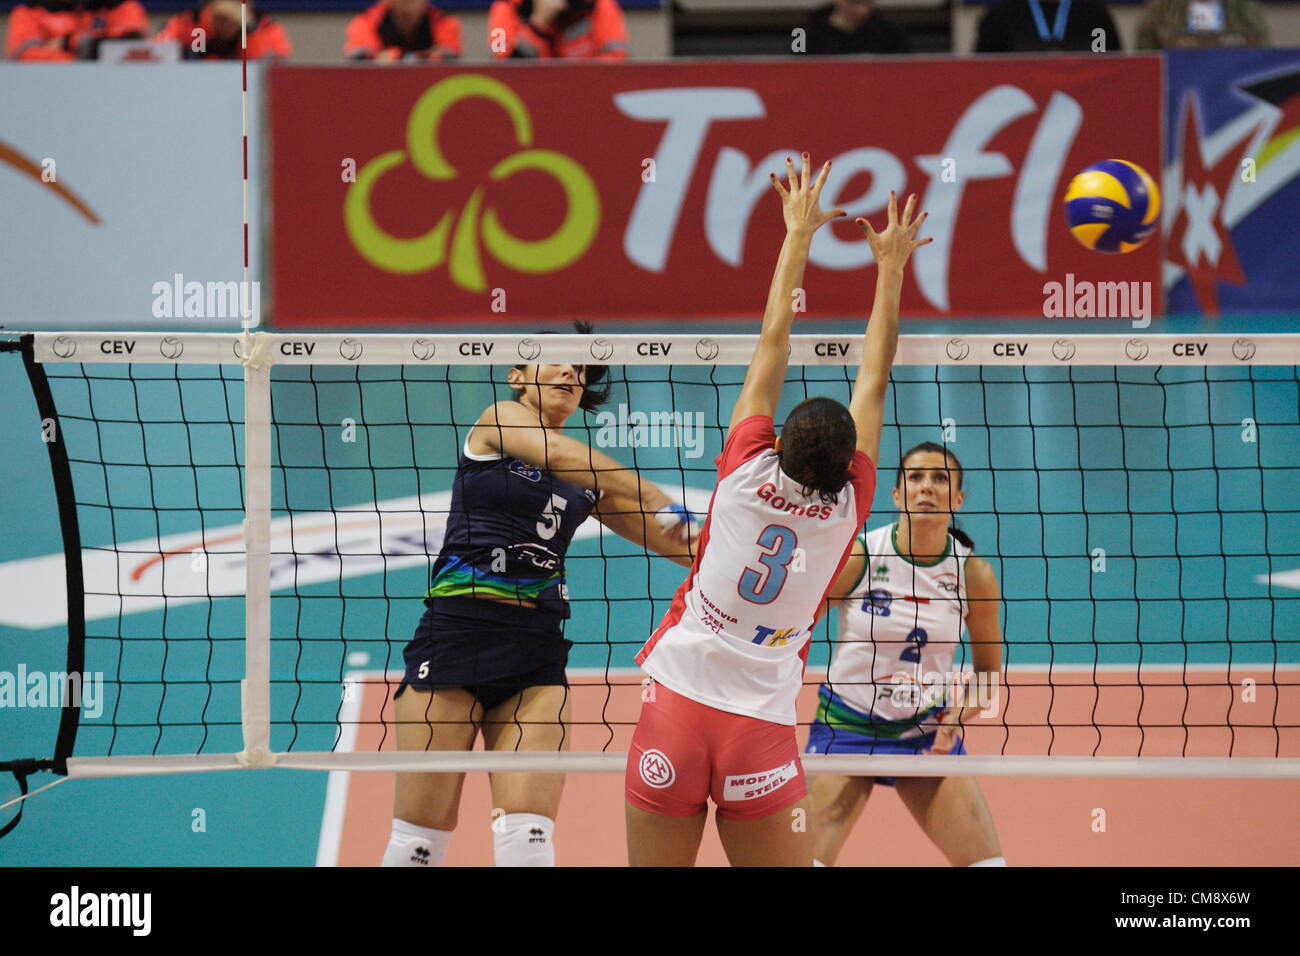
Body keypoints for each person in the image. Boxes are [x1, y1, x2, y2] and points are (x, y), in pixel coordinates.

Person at [625, 155, 930, 867]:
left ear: (776, 444)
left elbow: (773, 341)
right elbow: (876, 377)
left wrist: (798, 232)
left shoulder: (739, 474)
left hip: (673, 704)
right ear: (851, 465)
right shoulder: (848, 509)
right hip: (757, 728)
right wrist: (891, 266)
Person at [383, 320, 696, 868]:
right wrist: (657, 494)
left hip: (535, 654)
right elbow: (566, 457)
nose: (572, 372)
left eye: (582, 370)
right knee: (418, 847)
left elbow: (673, 543)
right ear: (518, 372)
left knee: (528, 845)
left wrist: (739, 556)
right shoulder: (499, 421)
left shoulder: (586, 477)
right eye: (559, 360)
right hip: (456, 637)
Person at [808, 442, 1005, 867]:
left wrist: (957, 716)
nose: (926, 487)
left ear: (958, 499)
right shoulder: (860, 555)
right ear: (897, 495)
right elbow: (796, 628)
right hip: (846, 725)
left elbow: (989, 674)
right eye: (915, 477)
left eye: (940, 478)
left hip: (924, 732)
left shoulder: (974, 574)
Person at [6, 0, 147, 61]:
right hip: (50, 91)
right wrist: (87, 57)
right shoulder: (28, 12)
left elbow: (129, 48)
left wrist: (68, 43)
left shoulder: (123, 7)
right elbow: (24, 57)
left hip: (112, 89)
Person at [487, 0, 628, 59]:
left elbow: (616, 64)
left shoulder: (600, 5)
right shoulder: (502, 9)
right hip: (528, 99)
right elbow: (501, 69)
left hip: (585, 98)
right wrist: (537, 25)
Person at [156, 0, 291, 60]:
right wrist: (211, 28)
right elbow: (154, 57)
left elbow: (271, 76)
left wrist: (248, 30)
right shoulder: (186, 23)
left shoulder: (267, 27)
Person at [975, 0, 1122, 53]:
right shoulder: (998, 17)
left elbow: (1106, 60)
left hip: (1084, 102)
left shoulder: (1096, 17)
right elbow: (985, 68)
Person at [344, 0, 462, 61]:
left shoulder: (443, 22)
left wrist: (396, 57)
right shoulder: (365, 22)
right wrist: (425, 57)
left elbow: (450, 56)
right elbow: (361, 58)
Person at [1136, 0, 1269, 49]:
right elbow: (1144, 54)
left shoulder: (1244, 7)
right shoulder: (1161, 9)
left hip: (1233, 80)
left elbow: (1264, 50)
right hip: (1176, 86)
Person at [804, 0, 911, 55]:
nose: (861, 10)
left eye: (866, 3)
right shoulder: (811, 32)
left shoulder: (891, 33)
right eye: (854, 2)